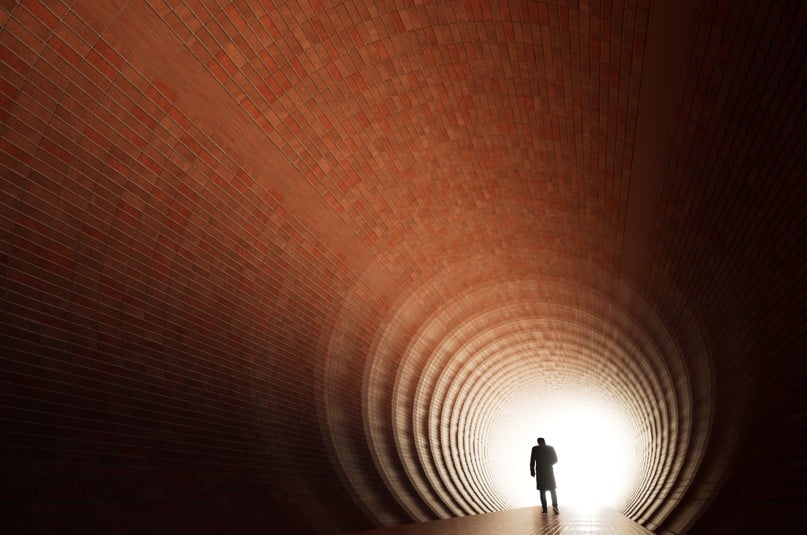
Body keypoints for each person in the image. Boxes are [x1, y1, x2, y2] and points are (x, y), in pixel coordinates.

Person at [529, 437, 558, 513]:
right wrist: (548, 464)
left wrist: (532, 470)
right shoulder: (550, 448)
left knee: (542, 491)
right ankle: (555, 506)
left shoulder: (535, 449)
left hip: (540, 471)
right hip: (548, 471)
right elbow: (555, 459)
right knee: (552, 490)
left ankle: (544, 508)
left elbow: (532, 460)